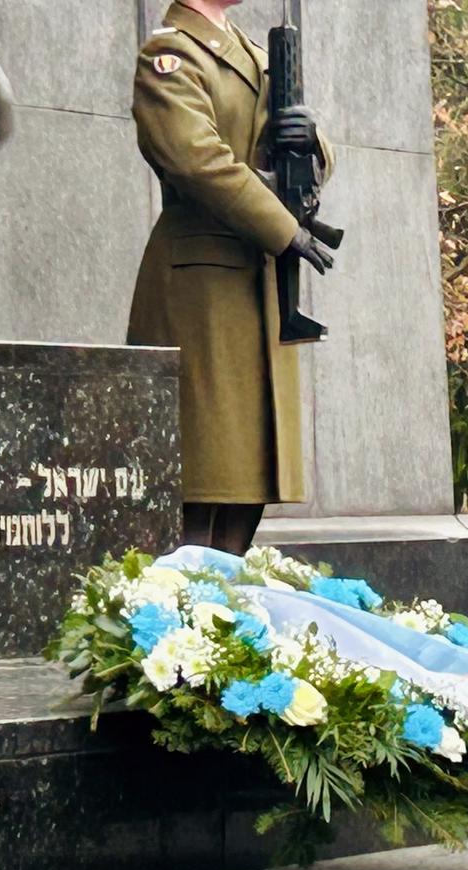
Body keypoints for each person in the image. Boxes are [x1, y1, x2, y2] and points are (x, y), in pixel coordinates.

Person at [129, 0, 338, 555]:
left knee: (247, 472)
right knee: (202, 470)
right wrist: (283, 227)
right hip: (202, 289)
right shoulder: (170, 54)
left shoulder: (252, 53)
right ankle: (180, 622)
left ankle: (213, 620)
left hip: (256, 281)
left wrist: (310, 142)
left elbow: (286, 154)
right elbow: (197, 160)